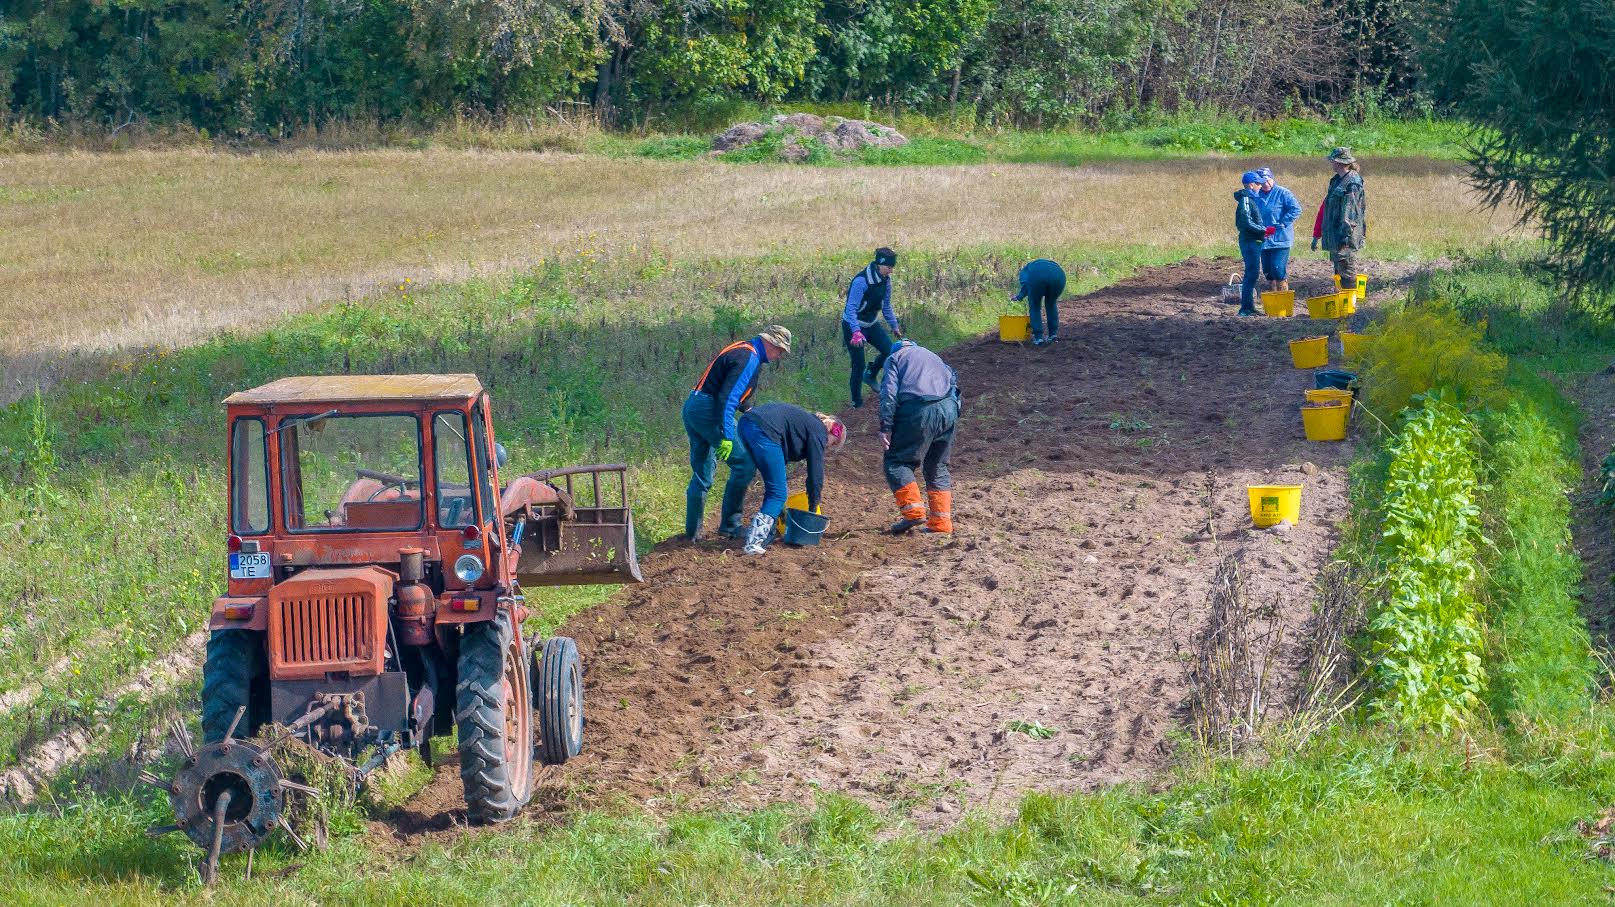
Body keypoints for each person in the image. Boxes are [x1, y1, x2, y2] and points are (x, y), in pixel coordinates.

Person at [683, 325, 792, 540]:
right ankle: (730, 526)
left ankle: (692, 535)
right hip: (709, 411)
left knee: (702, 474)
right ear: (770, 343)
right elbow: (728, 399)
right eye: (780, 351)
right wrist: (727, 436)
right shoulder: (748, 357)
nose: (779, 356)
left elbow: (741, 398)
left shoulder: (744, 349)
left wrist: (755, 415)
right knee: (745, 465)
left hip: (693, 406)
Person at [736, 404, 847, 555]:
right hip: (765, 430)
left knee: (771, 487)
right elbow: (816, 473)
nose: (828, 447)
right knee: (778, 493)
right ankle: (754, 541)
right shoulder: (819, 432)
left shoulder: (807, 424)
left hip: (746, 423)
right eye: (833, 443)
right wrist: (813, 509)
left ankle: (734, 526)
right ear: (834, 430)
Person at [879, 340, 960, 535]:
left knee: (897, 461)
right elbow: (953, 380)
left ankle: (913, 512)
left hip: (919, 410)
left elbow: (889, 395)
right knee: (938, 465)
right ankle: (941, 523)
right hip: (949, 408)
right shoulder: (932, 354)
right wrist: (954, 411)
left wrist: (885, 426)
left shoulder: (894, 358)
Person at [843, 247, 903, 408]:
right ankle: (856, 402)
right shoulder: (861, 281)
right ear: (880, 264)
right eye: (889, 267)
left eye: (892, 267)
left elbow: (886, 306)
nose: (891, 271)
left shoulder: (886, 281)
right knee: (858, 364)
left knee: (889, 351)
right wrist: (855, 331)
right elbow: (850, 309)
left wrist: (894, 325)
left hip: (871, 324)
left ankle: (871, 374)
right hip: (852, 325)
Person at [1317, 147, 1367, 291]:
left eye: (1332, 161)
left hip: (1345, 235)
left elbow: (1351, 212)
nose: (1331, 163)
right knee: (1339, 272)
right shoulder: (1336, 181)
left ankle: (1350, 305)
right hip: (1335, 235)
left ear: (1338, 162)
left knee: (1347, 271)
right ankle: (1342, 304)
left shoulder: (1352, 182)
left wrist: (1345, 235)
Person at [1255, 167, 1302, 294]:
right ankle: (1273, 294)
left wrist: (1281, 224)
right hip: (1264, 238)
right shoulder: (1256, 195)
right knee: (1268, 271)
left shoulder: (1283, 193)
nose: (1265, 184)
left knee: (1277, 268)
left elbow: (1296, 209)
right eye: (1261, 182)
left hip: (1281, 238)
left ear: (1272, 178)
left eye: (1267, 180)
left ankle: (1283, 295)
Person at [1233, 171, 1270, 317]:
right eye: (1258, 183)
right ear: (1251, 184)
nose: (1261, 186)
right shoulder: (1246, 200)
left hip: (1253, 240)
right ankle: (1246, 308)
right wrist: (1263, 230)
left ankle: (1248, 306)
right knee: (1251, 273)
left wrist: (1262, 232)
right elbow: (1245, 223)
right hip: (1249, 241)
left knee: (1252, 273)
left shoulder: (1250, 198)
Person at [1011, 259, 1066, 345]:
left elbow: (1026, 284)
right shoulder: (1045, 264)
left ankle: (1038, 337)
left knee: (1035, 306)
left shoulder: (1025, 270)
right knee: (1051, 303)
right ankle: (1053, 334)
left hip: (1039, 277)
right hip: (1059, 276)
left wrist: (1019, 296)